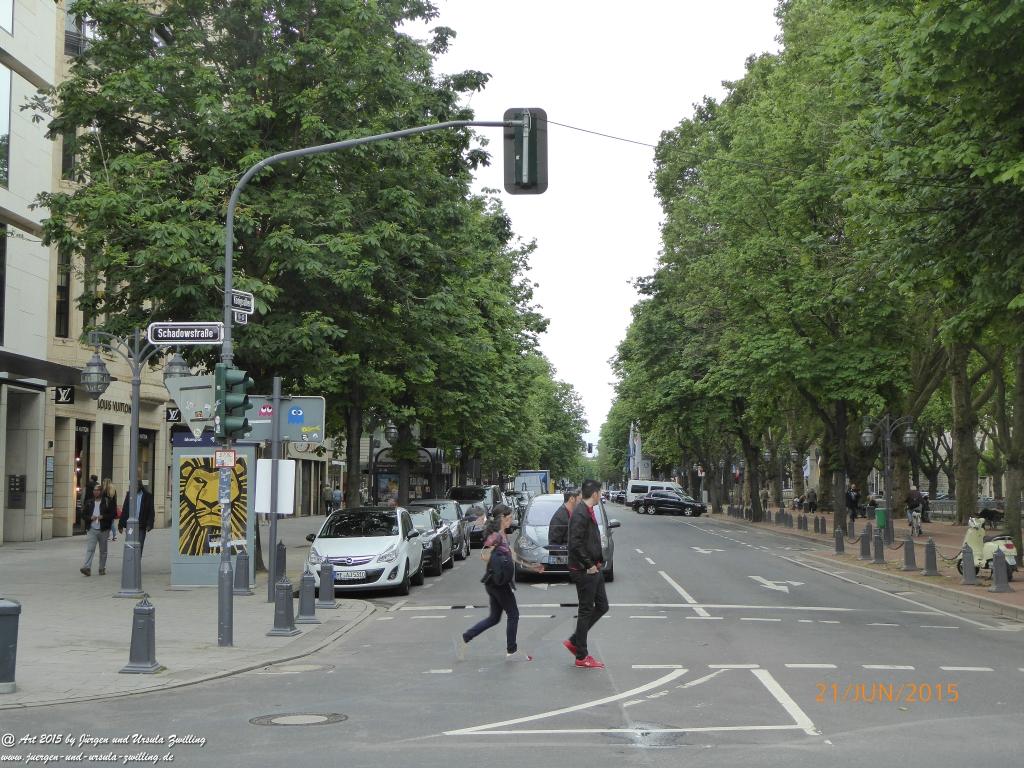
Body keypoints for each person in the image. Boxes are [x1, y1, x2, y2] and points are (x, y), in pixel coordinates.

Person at [458, 504, 542, 661]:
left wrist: (532, 566)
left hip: (493, 583)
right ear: (502, 518)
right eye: (509, 518)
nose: (511, 520)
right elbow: (483, 554)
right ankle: (512, 650)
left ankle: (466, 636)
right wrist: (496, 558)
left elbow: (513, 555)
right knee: (513, 614)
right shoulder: (496, 536)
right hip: (498, 583)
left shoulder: (502, 534)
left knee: (494, 618)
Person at [564, 479, 608, 669]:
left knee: (602, 606)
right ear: (595, 494)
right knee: (586, 610)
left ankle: (575, 640)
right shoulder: (580, 513)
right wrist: (588, 564)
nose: (601, 495)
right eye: (600, 492)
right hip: (585, 570)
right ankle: (581, 655)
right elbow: (575, 543)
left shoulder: (587, 510)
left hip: (593, 568)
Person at [80, 483, 116, 576]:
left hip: (103, 529)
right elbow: (83, 515)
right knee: (90, 549)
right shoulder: (89, 502)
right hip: (92, 529)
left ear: (101, 492)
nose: (95, 492)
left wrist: (103, 516)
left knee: (103, 550)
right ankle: (87, 567)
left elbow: (113, 514)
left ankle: (101, 568)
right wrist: (90, 518)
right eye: (94, 490)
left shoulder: (107, 501)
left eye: (97, 490)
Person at [120, 479, 155, 553]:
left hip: (141, 525)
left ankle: (137, 561)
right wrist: (121, 524)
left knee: (140, 545)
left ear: (140, 486)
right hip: (130, 526)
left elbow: (151, 511)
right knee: (130, 543)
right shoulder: (129, 494)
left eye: (137, 486)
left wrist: (149, 524)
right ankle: (130, 560)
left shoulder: (147, 496)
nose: (135, 487)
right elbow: (125, 509)